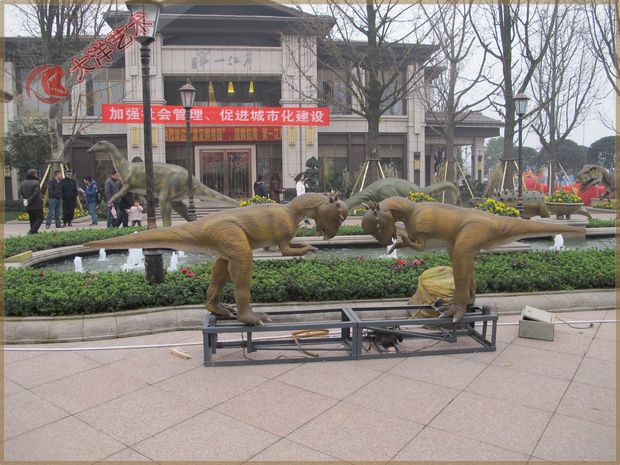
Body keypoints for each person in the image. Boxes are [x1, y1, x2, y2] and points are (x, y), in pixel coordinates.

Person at [18, 169, 44, 234]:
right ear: (33, 175)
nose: (37, 175)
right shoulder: (36, 182)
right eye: (36, 174)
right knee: (40, 218)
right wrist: (29, 200)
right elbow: (36, 194)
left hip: (28, 205)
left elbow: (20, 193)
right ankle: (32, 231)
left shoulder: (23, 183)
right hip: (36, 205)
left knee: (32, 219)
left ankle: (34, 233)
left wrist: (24, 201)